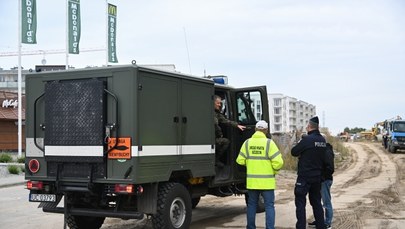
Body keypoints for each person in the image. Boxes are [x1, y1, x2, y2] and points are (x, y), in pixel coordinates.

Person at [236, 120, 284, 229]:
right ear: (266, 131)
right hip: (267, 183)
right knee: (269, 206)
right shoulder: (269, 143)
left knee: (251, 205)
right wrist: (274, 171)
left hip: (252, 182)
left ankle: (251, 227)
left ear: (255, 130)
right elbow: (278, 162)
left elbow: (240, 160)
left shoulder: (247, 143)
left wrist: (250, 164)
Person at [291, 116, 331, 229]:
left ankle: (300, 226)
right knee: (316, 202)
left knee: (300, 203)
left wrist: (300, 142)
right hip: (317, 177)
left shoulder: (307, 140)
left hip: (304, 177)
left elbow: (294, 152)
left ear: (309, 127)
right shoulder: (322, 140)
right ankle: (321, 225)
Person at [309, 136, 335, 229]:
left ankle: (327, 223)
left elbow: (330, 168)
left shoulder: (326, 151)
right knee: (318, 202)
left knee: (326, 202)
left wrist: (323, 177)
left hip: (325, 180)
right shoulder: (322, 150)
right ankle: (319, 220)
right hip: (319, 180)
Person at [214, 95, 245, 167]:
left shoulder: (216, 113)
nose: (219, 105)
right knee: (225, 142)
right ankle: (216, 160)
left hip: (214, 138)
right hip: (209, 139)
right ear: (213, 102)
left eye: (220, 103)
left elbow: (225, 121)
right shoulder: (209, 112)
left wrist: (237, 125)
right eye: (218, 103)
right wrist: (219, 134)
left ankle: (216, 160)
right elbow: (215, 125)